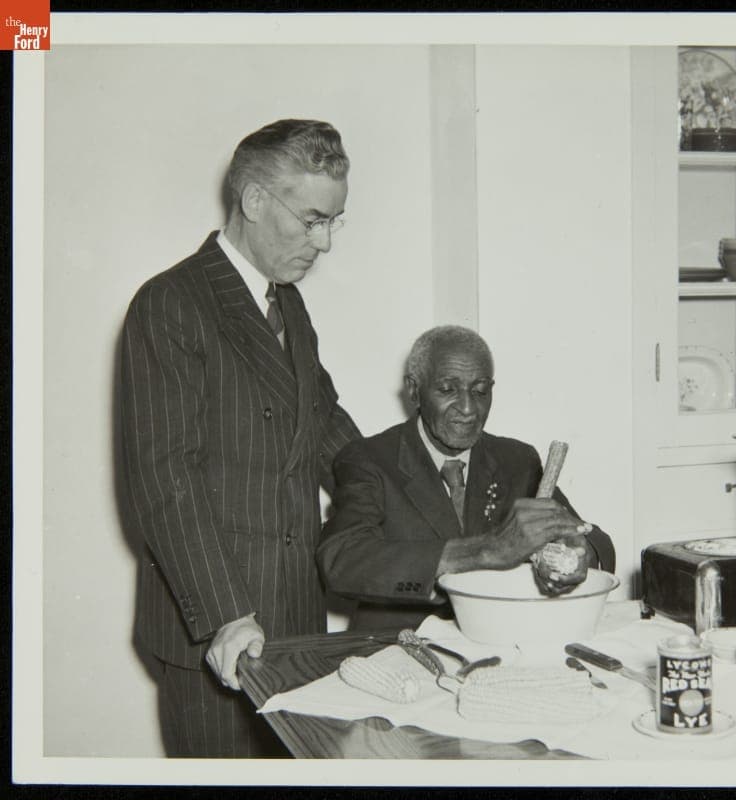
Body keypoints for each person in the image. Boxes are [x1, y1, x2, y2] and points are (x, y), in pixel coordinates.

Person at [119, 119, 361, 757]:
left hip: (295, 622)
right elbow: (164, 476)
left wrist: (427, 497)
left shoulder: (288, 306)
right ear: (255, 201)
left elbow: (328, 428)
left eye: (334, 220)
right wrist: (229, 612)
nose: (325, 241)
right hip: (217, 632)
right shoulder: (170, 303)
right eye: (312, 219)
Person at [316, 325, 616, 631]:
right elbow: (342, 559)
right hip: (398, 650)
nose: (469, 408)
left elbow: (593, 540)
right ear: (413, 389)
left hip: (498, 647)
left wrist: (578, 553)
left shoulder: (517, 460)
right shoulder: (369, 459)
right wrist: (486, 550)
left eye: (480, 390)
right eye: (447, 389)